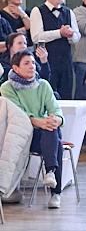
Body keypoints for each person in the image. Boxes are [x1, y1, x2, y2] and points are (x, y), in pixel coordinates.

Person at [0, 51, 64, 208]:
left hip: (45, 132)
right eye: (27, 63)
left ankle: (53, 183)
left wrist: (56, 119)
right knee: (55, 140)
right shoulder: (7, 88)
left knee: (53, 130)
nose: (32, 66)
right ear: (15, 67)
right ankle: (53, 179)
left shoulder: (43, 85)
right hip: (22, 133)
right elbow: (18, 113)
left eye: (33, 63)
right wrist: (38, 122)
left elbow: (56, 110)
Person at [29, 0, 80, 100]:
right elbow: (36, 37)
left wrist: (71, 34)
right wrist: (59, 33)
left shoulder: (69, 12)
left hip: (65, 60)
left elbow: (77, 37)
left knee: (67, 95)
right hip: (46, 61)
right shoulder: (38, 11)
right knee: (48, 96)